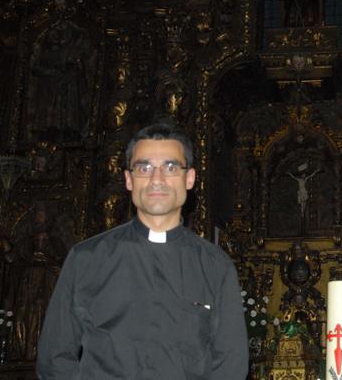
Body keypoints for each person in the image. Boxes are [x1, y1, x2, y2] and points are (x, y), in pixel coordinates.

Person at [36, 123, 248, 379]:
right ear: (128, 179)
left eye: (170, 167)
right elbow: (55, 357)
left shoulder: (215, 266)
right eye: (144, 167)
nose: (156, 180)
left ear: (189, 178)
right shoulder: (87, 258)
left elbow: (230, 364)